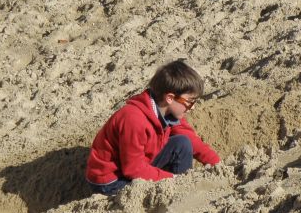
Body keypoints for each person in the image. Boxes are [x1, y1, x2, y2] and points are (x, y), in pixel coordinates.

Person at [85, 61, 220, 195]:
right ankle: (181, 192)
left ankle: (183, 191)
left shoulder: (167, 110)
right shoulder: (134, 120)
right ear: (170, 98)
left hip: (138, 163)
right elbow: (133, 169)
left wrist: (217, 164)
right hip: (111, 180)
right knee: (171, 175)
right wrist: (173, 180)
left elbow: (190, 138)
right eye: (190, 102)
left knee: (182, 143)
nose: (193, 107)